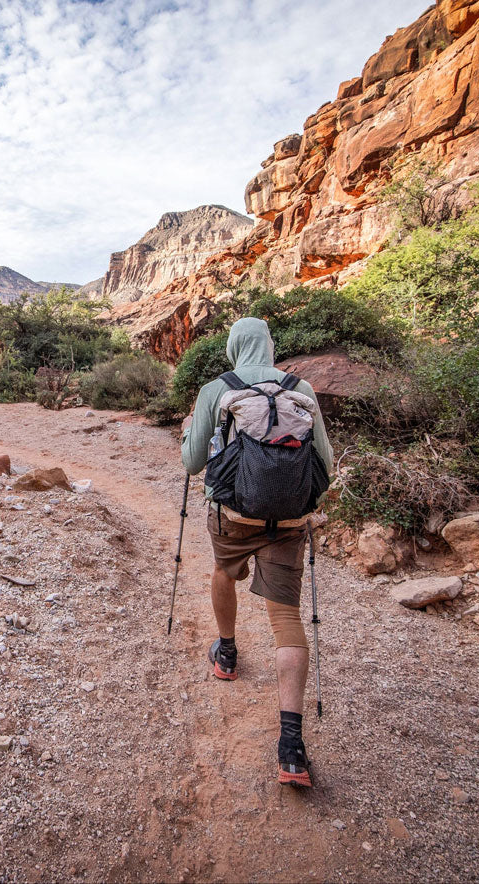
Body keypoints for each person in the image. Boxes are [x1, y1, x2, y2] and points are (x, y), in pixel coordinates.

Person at [181, 316, 334, 788]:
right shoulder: (300, 386)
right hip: (289, 519)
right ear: (268, 346)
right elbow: (325, 463)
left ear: (232, 347)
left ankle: (226, 654)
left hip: (233, 514)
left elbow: (192, 463)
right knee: (286, 619)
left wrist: (193, 432)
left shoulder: (216, 388)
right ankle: (291, 749)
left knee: (224, 572)